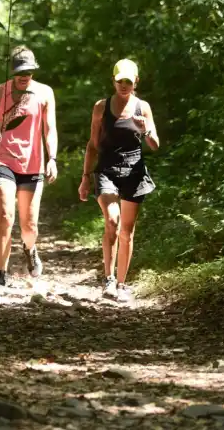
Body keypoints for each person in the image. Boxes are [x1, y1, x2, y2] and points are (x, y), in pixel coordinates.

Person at [78, 58, 159, 302]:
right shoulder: (101, 107)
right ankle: (109, 279)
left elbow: (155, 145)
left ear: (135, 82)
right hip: (107, 170)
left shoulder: (142, 107)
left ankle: (122, 284)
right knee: (112, 220)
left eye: (128, 81)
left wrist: (145, 130)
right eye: (119, 80)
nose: (123, 85)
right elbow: (92, 145)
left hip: (134, 171)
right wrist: (85, 178)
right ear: (113, 81)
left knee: (127, 230)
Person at [0, 46, 58, 286]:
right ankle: (1, 273)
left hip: (32, 164)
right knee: (6, 216)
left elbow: (50, 129)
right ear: (12, 71)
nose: (24, 76)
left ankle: (30, 248)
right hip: (3, 160)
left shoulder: (44, 93)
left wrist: (53, 159)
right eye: (19, 72)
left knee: (29, 226)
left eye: (28, 71)